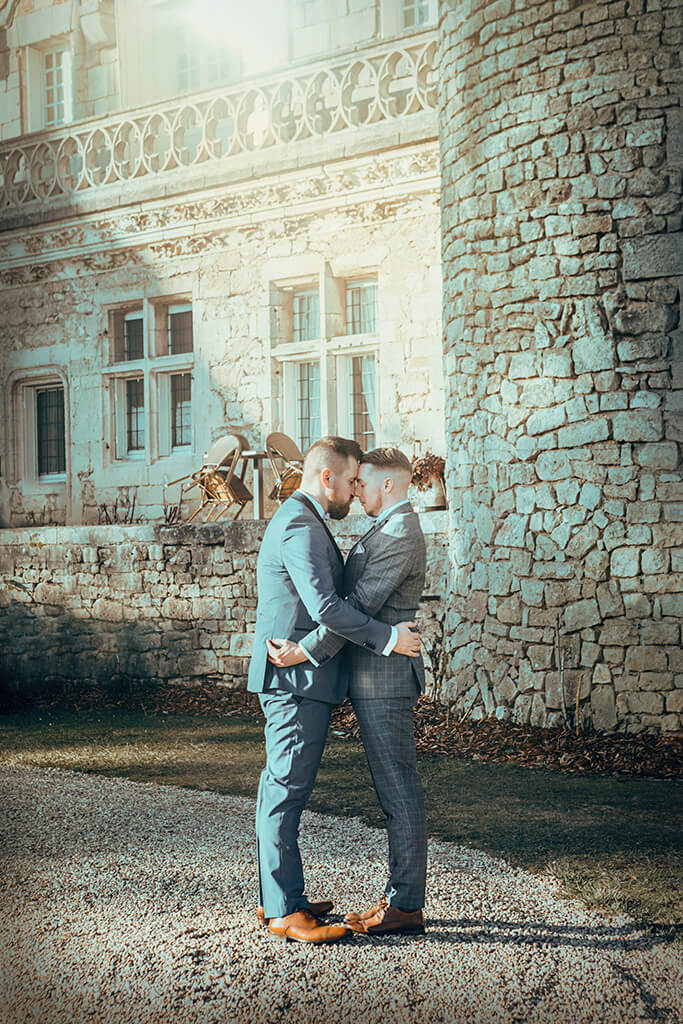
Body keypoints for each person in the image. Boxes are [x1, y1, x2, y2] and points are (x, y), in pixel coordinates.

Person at [247, 436, 422, 945]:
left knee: (281, 788)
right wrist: (388, 637)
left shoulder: (305, 519)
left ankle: (283, 897)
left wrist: (308, 651)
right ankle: (283, 910)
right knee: (285, 790)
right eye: (350, 482)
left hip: (303, 675)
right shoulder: (301, 522)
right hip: (295, 680)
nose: (353, 491)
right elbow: (327, 606)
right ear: (328, 478)